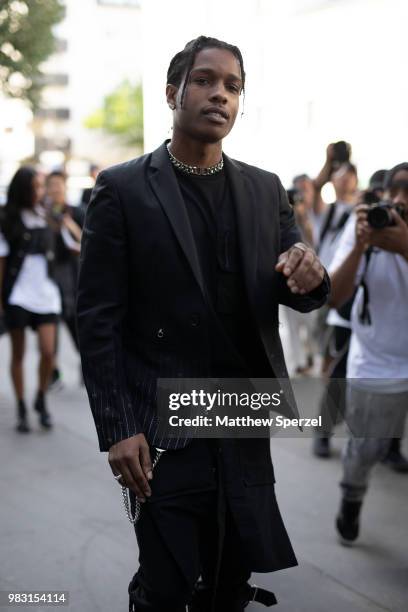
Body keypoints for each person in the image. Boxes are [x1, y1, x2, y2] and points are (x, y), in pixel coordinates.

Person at [77, 36, 329, 612]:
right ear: (173, 92)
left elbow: (305, 290)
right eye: (205, 80)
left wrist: (309, 271)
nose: (220, 94)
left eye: (233, 86)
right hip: (162, 428)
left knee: (228, 584)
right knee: (165, 586)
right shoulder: (123, 189)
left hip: (242, 417)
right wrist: (117, 426)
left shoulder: (265, 190)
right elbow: (98, 320)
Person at [329, 162, 408, 544]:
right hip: (377, 363)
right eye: (396, 189)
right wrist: (361, 245)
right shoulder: (366, 227)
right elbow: (335, 298)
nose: (400, 201)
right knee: (365, 450)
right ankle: (352, 495)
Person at [0, 167, 61, 432]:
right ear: (23, 189)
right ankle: (22, 406)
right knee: (19, 353)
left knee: (48, 352)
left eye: (41, 186)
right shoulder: (6, 217)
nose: (40, 191)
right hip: (18, 294)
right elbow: (1, 263)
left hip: (45, 293)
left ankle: (40, 397)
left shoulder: (46, 214)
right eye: (35, 187)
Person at [312, 153, 359, 457]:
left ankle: (389, 444)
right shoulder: (329, 212)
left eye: (349, 173)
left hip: (365, 306)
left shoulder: (366, 211)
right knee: (337, 372)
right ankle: (324, 431)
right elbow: (315, 191)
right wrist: (329, 163)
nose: (344, 178)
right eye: (338, 174)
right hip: (332, 298)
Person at [44, 171, 82, 389]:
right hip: (50, 276)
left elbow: (88, 237)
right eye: (52, 186)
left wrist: (69, 224)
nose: (55, 189)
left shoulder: (76, 212)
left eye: (59, 185)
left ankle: (83, 363)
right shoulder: (43, 214)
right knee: (51, 327)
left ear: (65, 188)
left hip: (74, 275)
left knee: (76, 323)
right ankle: (53, 371)